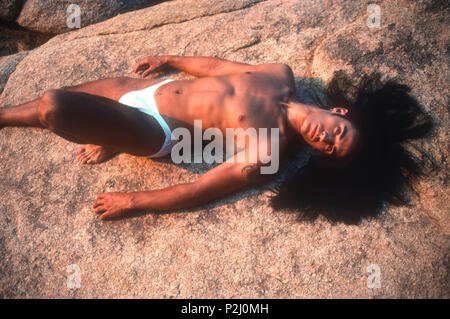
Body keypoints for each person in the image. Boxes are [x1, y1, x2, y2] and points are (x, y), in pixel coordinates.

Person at [0, 56, 433, 222]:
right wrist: (170, 57)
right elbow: (216, 68)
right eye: (338, 132)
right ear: (340, 112)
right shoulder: (281, 73)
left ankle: (112, 132)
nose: (326, 138)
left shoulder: (269, 153)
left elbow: (198, 190)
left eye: (330, 149)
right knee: (52, 101)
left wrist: (132, 201)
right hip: (144, 89)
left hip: (154, 130)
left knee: (54, 107)